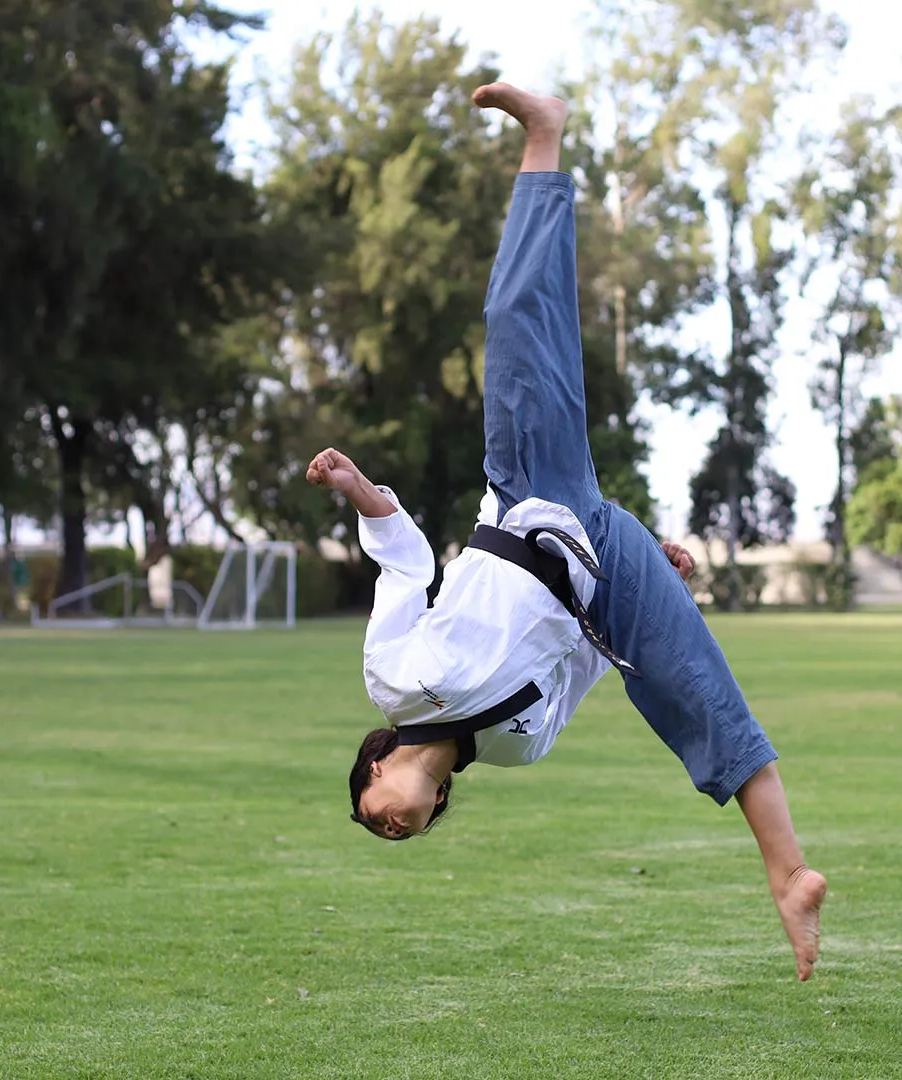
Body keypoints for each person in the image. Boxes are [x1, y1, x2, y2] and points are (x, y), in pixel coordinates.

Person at [305, 82, 828, 981]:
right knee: (699, 701)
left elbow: (407, 564)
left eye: (373, 808)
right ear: (435, 810)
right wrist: (658, 582)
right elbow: (589, 658)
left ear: (377, 762)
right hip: (605, 577)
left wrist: (359, 490)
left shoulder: (394, 682)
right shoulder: (517, 749)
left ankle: (542, 138)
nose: (390, 822)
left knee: (515, 323)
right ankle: (790, 875)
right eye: (399, 833)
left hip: (531, 497)